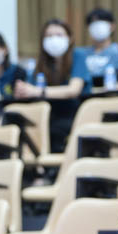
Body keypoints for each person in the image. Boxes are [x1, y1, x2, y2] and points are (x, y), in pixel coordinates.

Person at [15, 19, 84, 153]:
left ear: (69, 38)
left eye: (59, 35)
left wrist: (38, 91)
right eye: (49, 36)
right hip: (47, 113)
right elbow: (31, 88)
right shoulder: (42, 62)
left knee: (54, 130)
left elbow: (74, 90)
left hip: (73, 113)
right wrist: (23, 90)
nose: (54, 40)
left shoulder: (77, 56)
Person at [72, 7, 118, 87]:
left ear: (112, 26)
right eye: (93, 23)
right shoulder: (81, 53)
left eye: (101, 22)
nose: (97, 27)